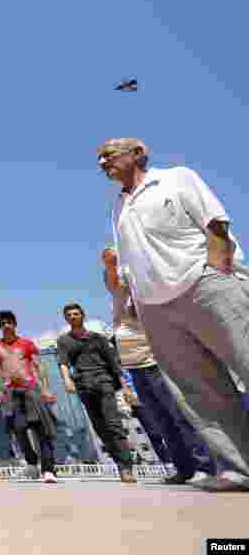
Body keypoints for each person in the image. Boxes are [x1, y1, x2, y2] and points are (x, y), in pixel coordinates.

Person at [98, 137, 249, 491]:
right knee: (199, 392)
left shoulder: (176, 178)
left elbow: (215, 223)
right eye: (99, 158)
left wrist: (216, 268)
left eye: (109, 154)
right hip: (155, 308)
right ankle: (239, 469)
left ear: (138, 153)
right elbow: (129, 262)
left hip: (204, 284)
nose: (102, 162)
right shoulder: (118, 206)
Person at [102, 245, 215, 485]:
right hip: (133, 364)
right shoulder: (118, 294)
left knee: (179, 414)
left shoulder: (146, 288)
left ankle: (203, 465)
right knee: (160, 419)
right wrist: (111, 264)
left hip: (155, 359)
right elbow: (112, 280)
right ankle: (183, 467)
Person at [56, 303, 137, 483]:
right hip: (83, 384)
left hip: (104, 381)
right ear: (65, 318)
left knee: (113, 423)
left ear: (83, 316)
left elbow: (113, 363)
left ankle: (126, 466)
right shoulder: (63, 340)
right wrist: (67, 380)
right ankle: (119, 462)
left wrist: (126, 387)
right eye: (69, 315)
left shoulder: (98, 338)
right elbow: (62, 361)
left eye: (76, 313)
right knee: (100, 427)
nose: (73, 317)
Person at [0, 311, 59, 483]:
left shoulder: (27, 343)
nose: (6, 325)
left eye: (9, 322)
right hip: (11, 393)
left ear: (15, 324)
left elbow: (38, 365)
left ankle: (48, 470)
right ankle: (31, 463)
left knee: (42, 431)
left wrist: (46, 389)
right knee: (19, 430)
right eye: (3, 323)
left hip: (31, 390)